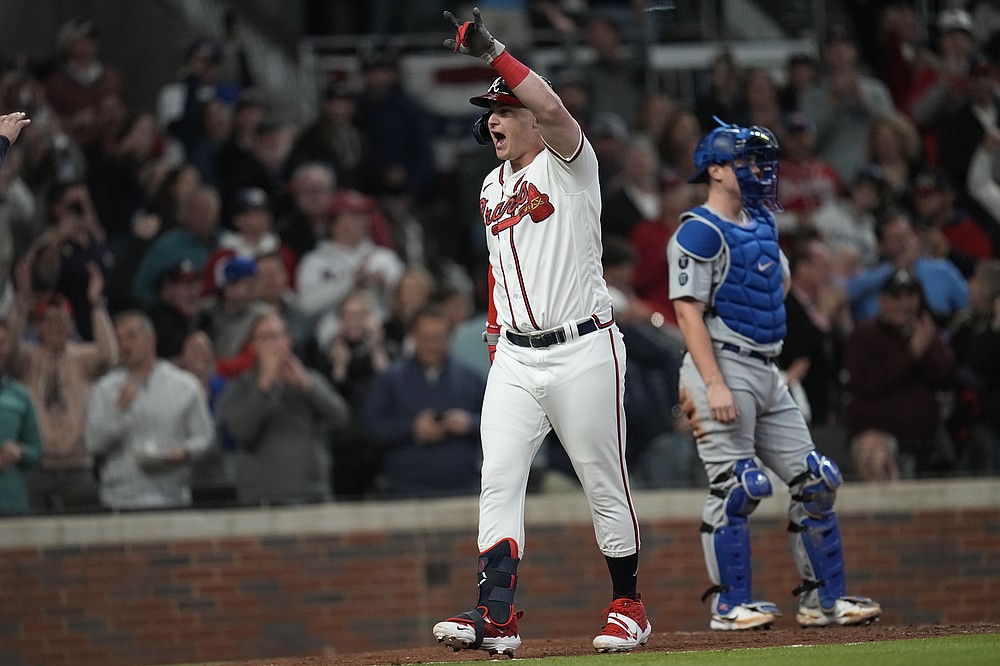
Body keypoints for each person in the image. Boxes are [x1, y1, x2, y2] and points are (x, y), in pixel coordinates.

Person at [431, 8, 650, 657]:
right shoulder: (490, 186)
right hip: (518, 359)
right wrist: (498, 333)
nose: (495, 117)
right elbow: (499, 272)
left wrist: (492, 50)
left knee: (600, 477)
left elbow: (552, 105)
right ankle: (496, 614)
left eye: (505, 106)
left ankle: (628, 605)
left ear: (529, 114)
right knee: (498, 477)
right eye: (490, 110)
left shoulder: (570, 164)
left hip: (583, 345)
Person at [666, 118, 881, 631]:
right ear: (715, 171)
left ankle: (824, 601)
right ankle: (728, 605)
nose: (761, 170)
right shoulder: (697, 229)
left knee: (817, 480)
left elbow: (774, 285)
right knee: (738, 487)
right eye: (747, 161)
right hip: (720, 365)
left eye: (763, 161)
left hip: (767, 366)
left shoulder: (762, 220)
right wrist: (715, 381)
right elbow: (687, 312)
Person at [8, 262, 116, 513]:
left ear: (71, 326)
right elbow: (8, 349)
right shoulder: (28, 359)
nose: (56, 325)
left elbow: (109, 355)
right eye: (49, 320)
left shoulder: (82, 357)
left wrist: (96, 302)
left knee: (86, 539)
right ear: (38, 326)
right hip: (37, 467)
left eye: (63, 319)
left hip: (78, 465)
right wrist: (22, 301)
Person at [216, 309, 349, 505]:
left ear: (289, 341)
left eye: (279, 336)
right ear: (253, 346)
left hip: (312, 495)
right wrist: (263, 387)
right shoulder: (239, 387)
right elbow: (242, 433)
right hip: (262, 498)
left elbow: (340, 418)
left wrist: (308, 387)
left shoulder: (309, 380)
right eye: (266, 337)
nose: (275, 344)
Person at [84, 311, 214, 510]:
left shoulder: (185, 385)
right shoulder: (105, 389)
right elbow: (93, 444)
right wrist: (119, 412)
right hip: (120, 499)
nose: (125, 345)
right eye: (119, 339)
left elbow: (204, 438)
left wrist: (185, 452)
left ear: (151, 338)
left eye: (132, 336)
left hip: (172, 496)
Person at [844, 269, 958, 479]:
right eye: (896, 297)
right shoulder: (864, 335)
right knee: (875, 454)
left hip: (925, 441)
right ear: (881, 301)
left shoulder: (924, 333)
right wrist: (911, 354)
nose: (904, 304)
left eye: (910, 297)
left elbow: (947, 379)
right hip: (876, 434)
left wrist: (928, 348)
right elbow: (867, 384)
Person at [362, 306, 485, 497]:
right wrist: (413, 428)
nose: (434, 345)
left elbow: (498, 423)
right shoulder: (390, 380)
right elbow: (371, 429)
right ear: (413, 337)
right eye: (427, 339)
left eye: (440, 338)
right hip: (405, 493)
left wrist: (469, 423)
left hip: (462, 491)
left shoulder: (471, 378)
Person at [0, 319, 43, 515]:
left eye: (1, 342)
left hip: (12, 503)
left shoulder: (20, 395)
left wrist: (20, 452)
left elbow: (37, 451)